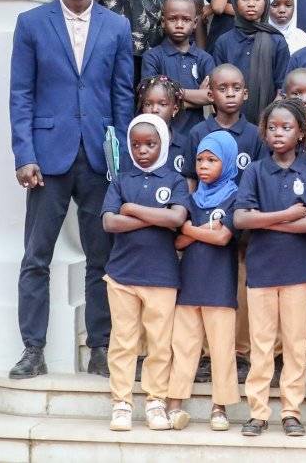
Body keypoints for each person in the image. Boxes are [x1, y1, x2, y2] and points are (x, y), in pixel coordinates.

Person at [8, 0, 134, 381]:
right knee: (36, 256)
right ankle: (32, 349)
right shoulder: (31, 23)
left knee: (102, 257)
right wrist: (25, 154)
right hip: (47, 158)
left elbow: (122, 98)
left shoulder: (117, 27)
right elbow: (21, 94)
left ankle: (101, 348)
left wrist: (120, 162)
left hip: (99, 158)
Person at [233, 98, 306, 438]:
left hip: (299, 273)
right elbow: (241, 218)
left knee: (295, 344)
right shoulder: (255, 171)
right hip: (261, 271)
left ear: (301, 132)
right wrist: (286, 216)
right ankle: (258, 412)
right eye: (272, 127)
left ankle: (291, 411)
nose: (278, 133)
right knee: (261, 346)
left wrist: (264, 222)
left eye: (286, 127)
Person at [100, 113, 188, 431]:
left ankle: (155, 401)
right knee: (123, 342)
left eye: (150, 144)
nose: (142, 151)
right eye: (136, 145)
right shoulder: (122, 180)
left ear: (162, 144)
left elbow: (177, 218)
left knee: (159, 343)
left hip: (162, 277)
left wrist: (133, 210)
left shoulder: (174, 180)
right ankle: (121, 403)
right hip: (122, 276)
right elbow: (110, 222)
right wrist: (156, 216)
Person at [164, 129, 241, 432]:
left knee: (222, 348)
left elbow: (223, 238)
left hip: (220, 285)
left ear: (229, 161)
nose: (204, 166)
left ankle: (219, 407)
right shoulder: (191, 198)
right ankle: (174, 403)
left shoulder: (236, 196)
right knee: (183, 344)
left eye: (212, 160)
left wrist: (192, 230)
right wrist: (203, 231)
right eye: (200, 160)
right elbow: (177, 243)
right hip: (190, 282)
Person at [210, 0, 290, 122]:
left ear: (266, 1)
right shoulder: (224, 42)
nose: (251, 3)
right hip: (229, 123)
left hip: (267, 123)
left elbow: (282, 90)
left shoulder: (277, 41)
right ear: (234, 1)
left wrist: (268, 121)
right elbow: (217, 88)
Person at [141, 0, 215, 139]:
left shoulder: (204, 59)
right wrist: (196, 98)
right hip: (160, 136)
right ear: (163, 22)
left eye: (186, 19)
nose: (179, 24)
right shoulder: (152, 57)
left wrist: (171, 95)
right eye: (173, 19)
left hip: (195, 135)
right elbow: (151, 99)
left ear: (194, 23)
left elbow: (212, 96)